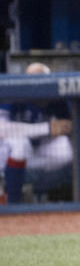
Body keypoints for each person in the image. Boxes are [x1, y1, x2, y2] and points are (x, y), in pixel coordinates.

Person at [1, 63, 73, 204]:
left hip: (34, 154)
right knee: (19, 142)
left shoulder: (56, 99)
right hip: (4, 153)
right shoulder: (11, 91)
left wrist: (65, 128)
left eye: (40, 79)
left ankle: (34, 187)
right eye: (32, 78)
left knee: (65, 147)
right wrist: (47, 128)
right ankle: (12, 203)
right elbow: (2, 129)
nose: (36, 83)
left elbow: (69, 125)